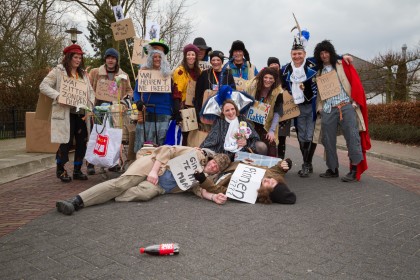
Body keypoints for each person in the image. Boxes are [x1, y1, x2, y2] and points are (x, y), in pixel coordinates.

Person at [55, 145, 231, 215]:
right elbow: (168, 150)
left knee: (143, 194)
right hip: (153, 168)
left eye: (217, 168)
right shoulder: (196, 154)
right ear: (211, 160)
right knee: (120, 184)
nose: (214, 167)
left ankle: (107, 194)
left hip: (160, 187)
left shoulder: (204, 178)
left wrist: (214, 197)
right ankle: (77, 201)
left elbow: (200, 190)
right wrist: (154, 171)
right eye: (214, 163)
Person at [313, 40, 371, 182]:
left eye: (326, 52)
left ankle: (354, 169)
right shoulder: (318, 72)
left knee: (352, 137)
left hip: (346, 106)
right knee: (327, 140)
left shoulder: (342, 65)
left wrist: (355, 101)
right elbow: (320, 94)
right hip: (328, 109)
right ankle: (333, 168)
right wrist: (319, 108)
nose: (324, 55)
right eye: (321, 53)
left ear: (331, 52)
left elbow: (355, 82)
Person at [39, 44, 95, 183]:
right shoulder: (58, 71)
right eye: (75, 57)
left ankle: (77, 170)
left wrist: (90, 108)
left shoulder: (83, 74)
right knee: (66, 141)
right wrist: (58, 96)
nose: (78, 60)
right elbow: (43, 86)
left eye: (80, 57)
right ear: (68, 57)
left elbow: (91, 92)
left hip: (81, 112)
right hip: (66, 112)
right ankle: (61, 168)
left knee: (82, 142)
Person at [87, 48, 133, 174]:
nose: (110, 60)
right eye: (108, 58)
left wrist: (125, 100)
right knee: (97, 135)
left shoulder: (123, 75)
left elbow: (129, 90)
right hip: (99, 109)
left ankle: (113, 163)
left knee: (114, 137)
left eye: (113, 58)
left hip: (115, 110)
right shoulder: (95, 72)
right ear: (105, 59)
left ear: (117, 60)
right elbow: (88, 87)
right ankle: (91, 163)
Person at [192, 158, 296, 205]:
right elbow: (277, 170)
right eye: (274, 180)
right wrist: (285, 164)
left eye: (271, 184)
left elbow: (218, 189)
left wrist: (203, 180)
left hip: (217, 178)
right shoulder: (271, 176)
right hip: (229, 164)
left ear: (266, 193)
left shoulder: (249, 194)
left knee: (194, 180)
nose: (270, 179)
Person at [133, 40, 173, 153]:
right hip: (147, 111)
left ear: (163, 59)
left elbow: (173, 94)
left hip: (164, 112)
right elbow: (136, 92)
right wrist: (138, 102)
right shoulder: (144, 73)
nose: (157, 59)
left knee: (161, 143)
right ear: (150, 58)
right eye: (154, 57)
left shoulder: (168, 75)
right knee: (144, 142)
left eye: (159, 57)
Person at [200, 100, 266, 160]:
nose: (231, 112)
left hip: (243, 149)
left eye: (232, 109)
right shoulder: (219, 122)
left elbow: (255, 136)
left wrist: (246, 142)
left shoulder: (241, 119)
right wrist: (202, 149)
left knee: (262, 146)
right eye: (227, 110)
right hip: (226, 152)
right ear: (223, 112)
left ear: (235, 109)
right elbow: (212, 139)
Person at [246, 67, 286, 157]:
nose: (268, 80)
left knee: (271, 150)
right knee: (252, 149)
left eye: (271, 78)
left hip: (267, 124)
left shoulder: (278, 92)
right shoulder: (253, 87)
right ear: (262, 78)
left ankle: (270, 169)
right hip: (251, 123)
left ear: (275, 80)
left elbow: (277, 112)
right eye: (265, 77)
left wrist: (271, 131)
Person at [194, 50, 236, 131]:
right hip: (208, 114)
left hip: (224, 114)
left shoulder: (228, 75)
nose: (215, 62)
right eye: (213, 60)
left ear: (222, 61)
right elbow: (198, 96)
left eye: (218, 60)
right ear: (210, 61)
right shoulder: (205, 74)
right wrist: (198, 113)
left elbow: (233, 94)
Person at [172, 44, 201, 144]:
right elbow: (176, 92)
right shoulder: (180, 71)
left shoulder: (198, 72)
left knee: (191, 136)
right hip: (182, 107)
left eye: (193, 54)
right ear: (185, 56)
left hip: (193, 108)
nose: (191, 57)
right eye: (188, 54)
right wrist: (177, 111)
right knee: (183, 137)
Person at [267, 57, 291, 159]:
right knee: (270, 137)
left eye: (276, 63)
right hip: (270, 114)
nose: (273, 65)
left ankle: (280, 160)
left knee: (282, 137)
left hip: (285, 112)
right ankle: (270, 159)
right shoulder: (267, 78)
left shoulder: (285, 76)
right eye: (271, 64)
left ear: (279, 65)